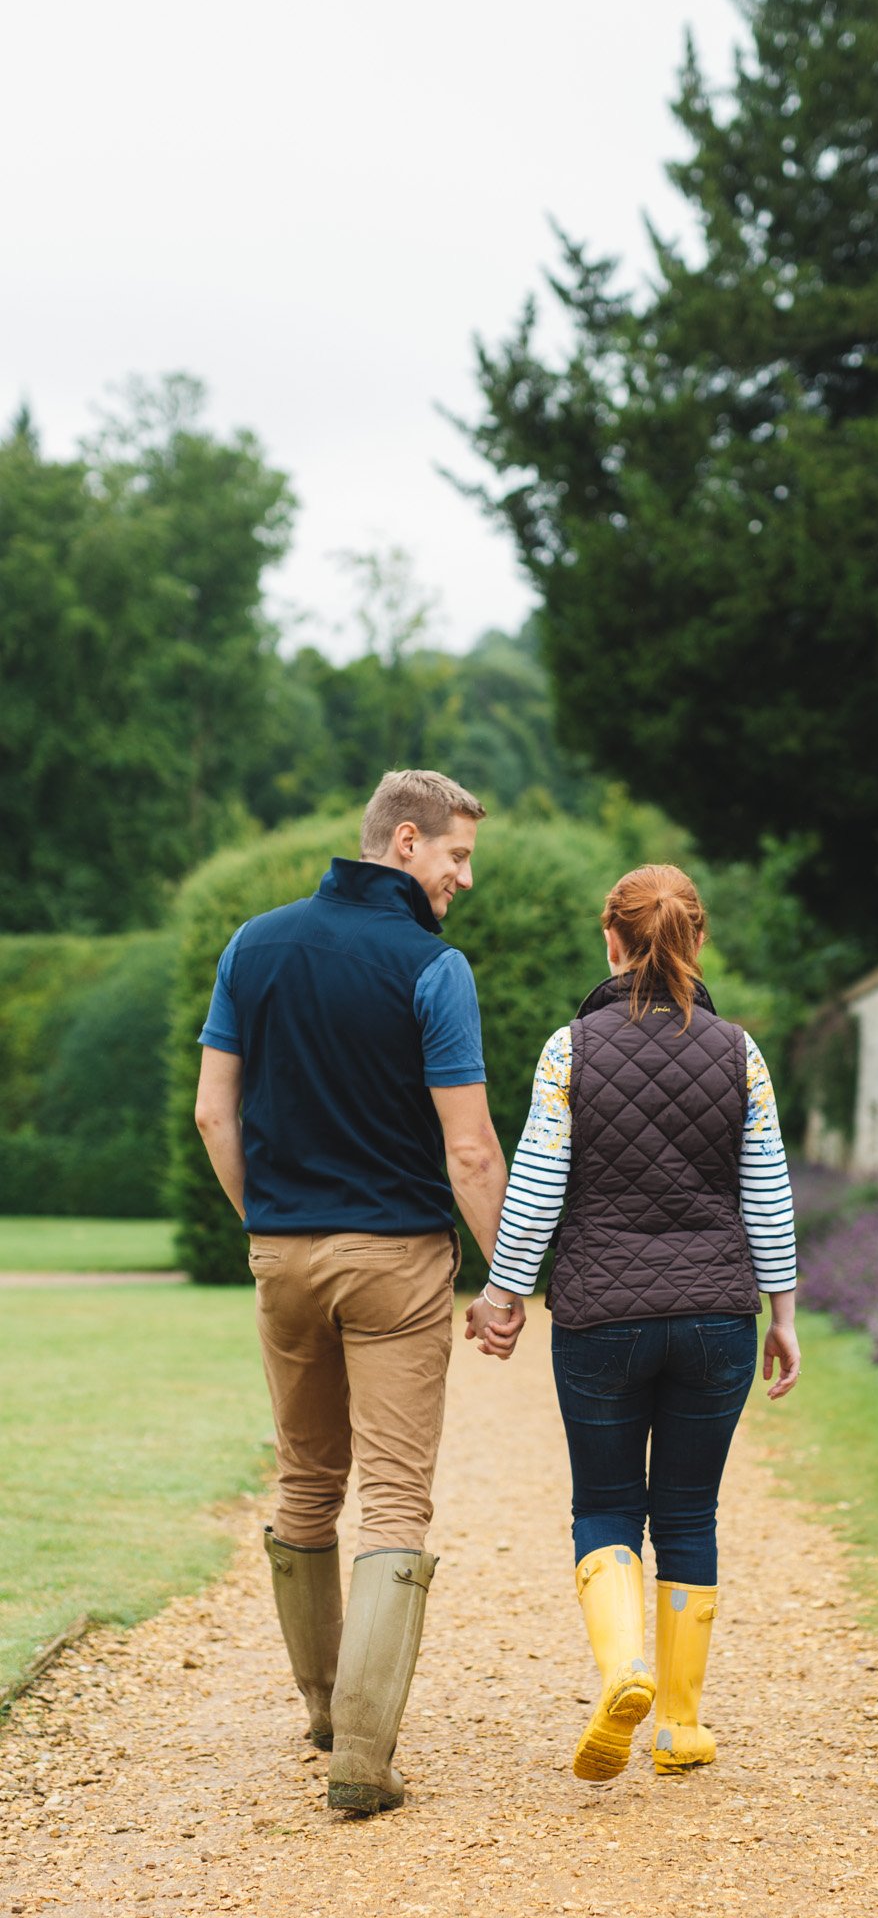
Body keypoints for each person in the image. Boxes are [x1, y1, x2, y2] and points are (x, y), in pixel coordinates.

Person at [193, 769, 525, 1817]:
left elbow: (214, 1113)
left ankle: (326, 1712)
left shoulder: (254, 942)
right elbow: (469, 1148)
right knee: (392, 1497)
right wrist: (510, 1277)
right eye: (457, 856)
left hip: (282, 1253)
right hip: (396, 1259)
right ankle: (364, 1756)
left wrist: (268, 1228)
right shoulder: (434, 967)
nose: (464, 878)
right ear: (408, 840)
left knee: (303, 1481)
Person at [473, 863, 800, 1784]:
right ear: (695, 942)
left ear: (611, 941)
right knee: (690, 1512)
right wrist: (781, 1311)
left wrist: (502, 1293)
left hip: (600, 1319)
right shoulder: (740, 1052)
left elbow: (536, 1187)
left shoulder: (568, 1049)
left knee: (607, 1505)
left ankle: (624, 1672)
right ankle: (683, 1729)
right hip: (715, 1320)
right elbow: (766, 1193)